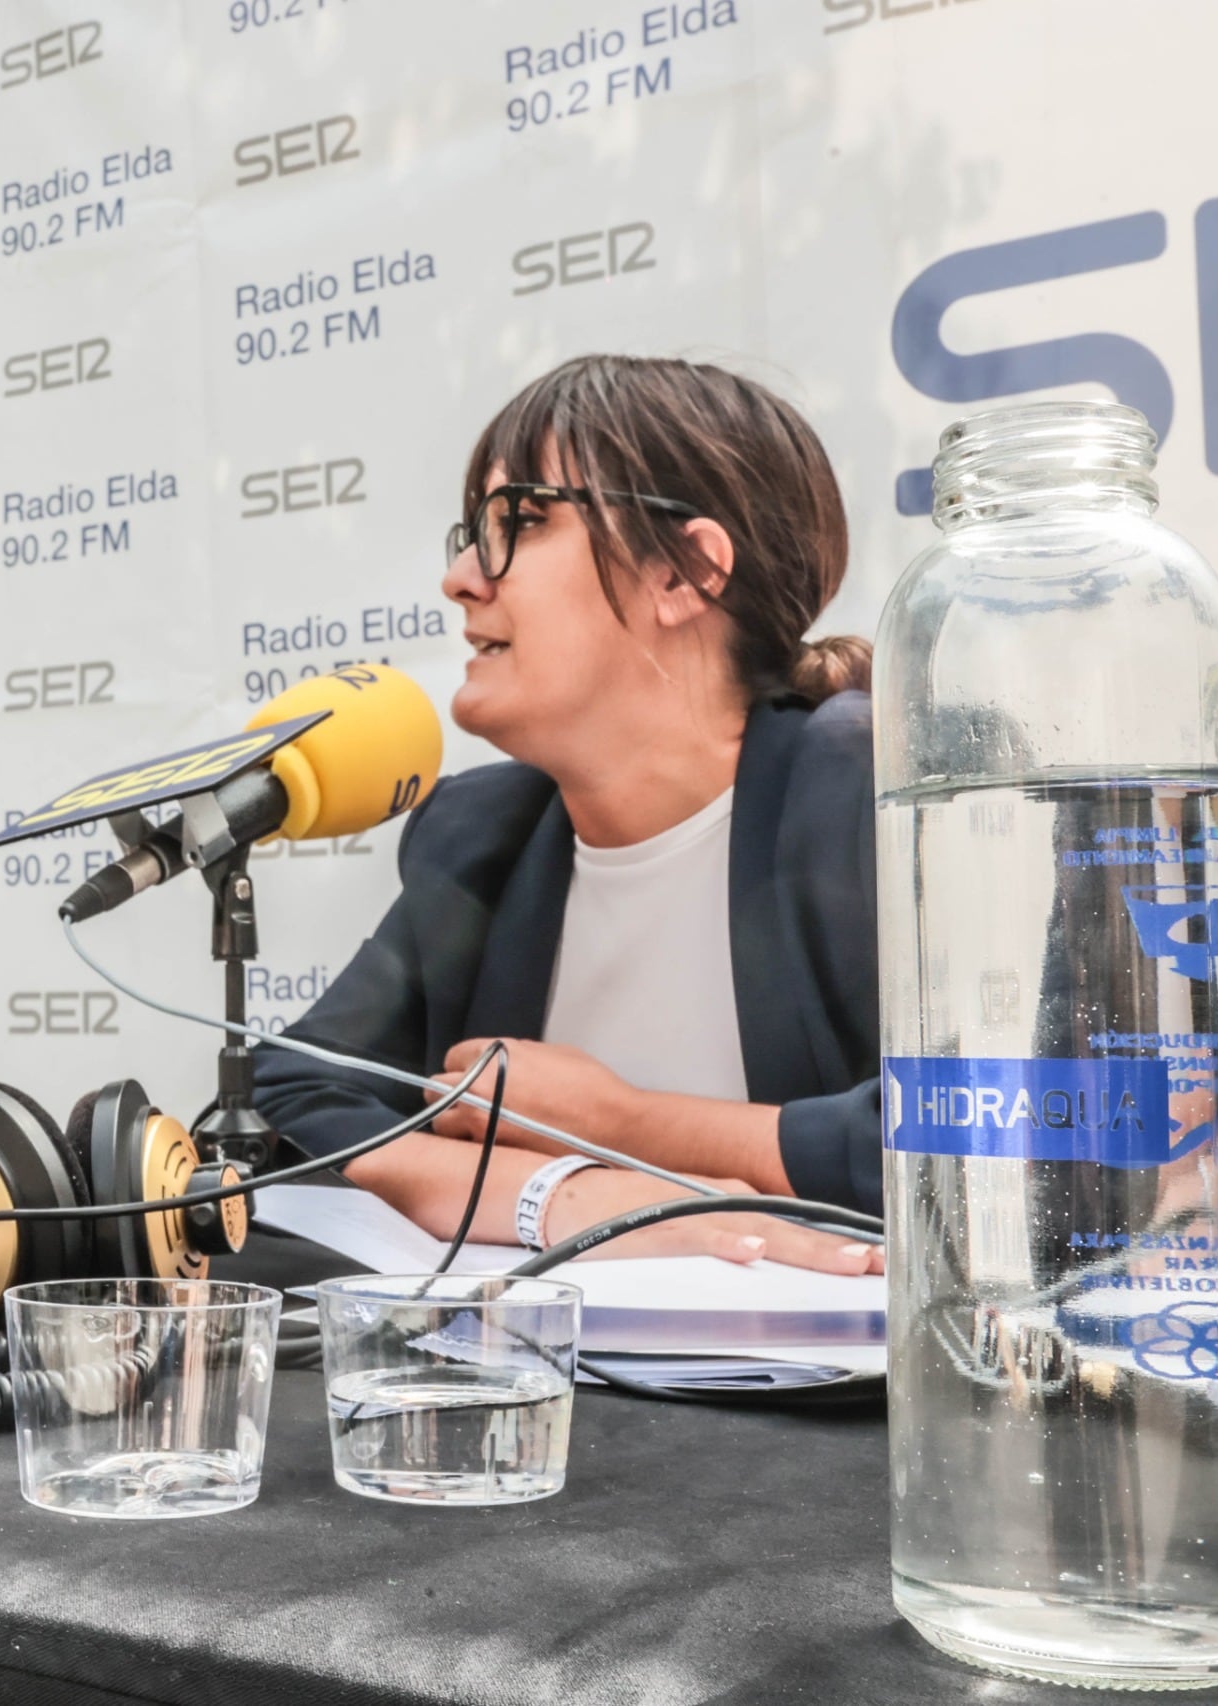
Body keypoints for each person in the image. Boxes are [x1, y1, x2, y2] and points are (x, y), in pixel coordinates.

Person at [253, 355, 882, 1274]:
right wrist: (573, 1198)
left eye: (522, 523)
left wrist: (623, 1123)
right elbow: (289, 1101)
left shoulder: (872, 790)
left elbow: (1012, 1131)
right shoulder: (480, 835)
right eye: (469, 534)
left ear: (684, 573)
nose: (464, 578)